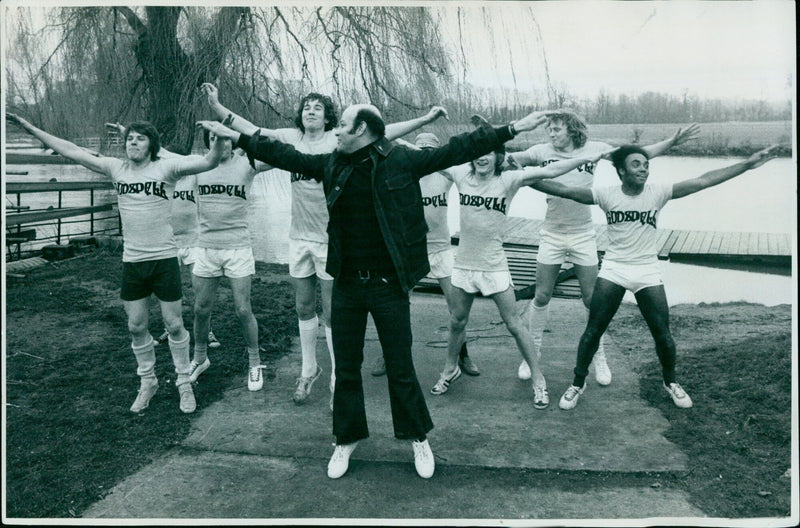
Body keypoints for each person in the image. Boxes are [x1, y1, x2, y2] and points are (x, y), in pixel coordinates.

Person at [197, 104, 554, 480]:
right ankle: (346, 439)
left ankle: (417, 436)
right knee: (348, 366)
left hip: (388, 284)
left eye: (343, 127)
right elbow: (284, 155)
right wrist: (235, 136)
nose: (336, 132)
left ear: (362, 129)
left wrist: (510, 128)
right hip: (348, 283)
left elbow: (459, 149)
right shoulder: (333, 163)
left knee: (400, 366)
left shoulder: (401, 160)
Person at [202, 83, 449, 407]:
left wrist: (425, 119)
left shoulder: (338, 142)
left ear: (328, 116)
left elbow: (383, 131)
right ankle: (309, 369)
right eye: (307, 106)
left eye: (318, 107)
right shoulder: (292, 139)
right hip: (299, 238)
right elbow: (251, 131)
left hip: (331, 240)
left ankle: (337, 377)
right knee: (304, 307)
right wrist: (218, 107)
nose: (311, 110)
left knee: (332, 313)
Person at [527, 144, 780, 410]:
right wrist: (517, 177)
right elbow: (564, 190)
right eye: (636, 164)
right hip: (614, 268)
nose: (644, 169)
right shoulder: (605, 194)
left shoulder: (657, 193)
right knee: (593, 331)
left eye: (646, 165)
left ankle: (670, 382)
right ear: (621, 171)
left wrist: (747, 164)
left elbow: (704, 181)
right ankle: (578, 383)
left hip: (646, 270)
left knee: (663, 334)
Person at [7, 113, 224, 414]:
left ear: (151, 144)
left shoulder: (167, 167)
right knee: (136, 327)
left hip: (163, 259)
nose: (133, 142)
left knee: (174, 324)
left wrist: (222, 137)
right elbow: (72, 150)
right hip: (133, 261)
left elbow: (210, 162)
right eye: (129, 138)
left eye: (140, 138)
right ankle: (148, 382)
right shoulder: (116, 168)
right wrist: (32, 129)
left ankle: (184, 382)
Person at [508, 111, 699, 385]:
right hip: (551, 233)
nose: (551, 133)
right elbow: (511, 160)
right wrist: (500, 158)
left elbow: (637, 155)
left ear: (572, 130)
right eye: (549, 129)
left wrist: (672, 141)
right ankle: (532, 354)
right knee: (542, 295)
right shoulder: (541, 151)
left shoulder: (594, 149)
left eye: (557, 129)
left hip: (583, 234)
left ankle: (599, 358)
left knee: (591, 300)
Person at [428, 137, 608, 410]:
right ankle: (449, 369)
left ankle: (539, 380)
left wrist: (584, 159)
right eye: (477, 152)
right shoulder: (460, 173)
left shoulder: (508, 179)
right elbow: (429, 156)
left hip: (494, 265)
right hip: (464, 264)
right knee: (457, 321)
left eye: (488, 153)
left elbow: (548, 171)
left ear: (498, 156)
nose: (482, 158)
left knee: (514, 323)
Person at [106, 123, 222, 351]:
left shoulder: (190, 176)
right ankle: (170, 330)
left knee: (200, 293)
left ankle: (207, 330)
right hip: (167, 244)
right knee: (167, 298)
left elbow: (200, 161)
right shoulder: (159, 174)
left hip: (193, 241)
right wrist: (128, 134)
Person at [380, 132, 480, 378]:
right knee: (397, 305)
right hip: (412, 249)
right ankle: (389, 355)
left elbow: (465, 163)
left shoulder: (445, 175)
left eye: (429, 151)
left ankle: (462, 354)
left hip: (441, 248)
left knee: (456, 307)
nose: (423, 154)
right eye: (420, 150)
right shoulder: (405, 172)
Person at [188, 128, 273, 391]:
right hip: (206, 248)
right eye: (213, 139)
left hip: (237, 248)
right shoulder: (198, 165)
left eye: (224, 138)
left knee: (242, 309)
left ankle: (255, 363)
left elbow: (281, 156)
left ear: (232, 141)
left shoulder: (247, 163)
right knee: (201, 309)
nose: (219, 143)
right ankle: (200, 358)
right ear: (208, 144)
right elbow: (163, 160)